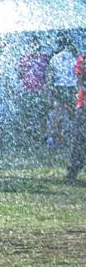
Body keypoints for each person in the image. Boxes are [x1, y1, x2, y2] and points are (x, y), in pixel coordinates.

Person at [17, 35, 51, 152]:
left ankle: (43, 138)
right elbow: (19, 74)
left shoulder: (44, 58)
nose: (34, 47)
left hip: (40, 91)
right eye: (32, 44)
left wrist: (47, 90)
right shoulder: (24, 59)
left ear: (39, 46)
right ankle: (26, 140)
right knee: (26, 115)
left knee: (42, 116)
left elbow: (48, 74)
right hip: (27, 91)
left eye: (36, 44)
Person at [47, 34, 79, 147]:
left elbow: (50, 76)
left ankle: (53, 139)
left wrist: (50, 91)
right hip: (71, 88)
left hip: (59, 87)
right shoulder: (74, 57)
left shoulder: (55, 58)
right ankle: (75, 138)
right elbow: (78, 74)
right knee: (73, 114)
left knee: (58, 114)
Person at [66, 49, 85, 181]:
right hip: (83, 105)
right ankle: (73, 169)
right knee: (79, 138)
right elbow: (80, 82)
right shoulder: (83, 59)